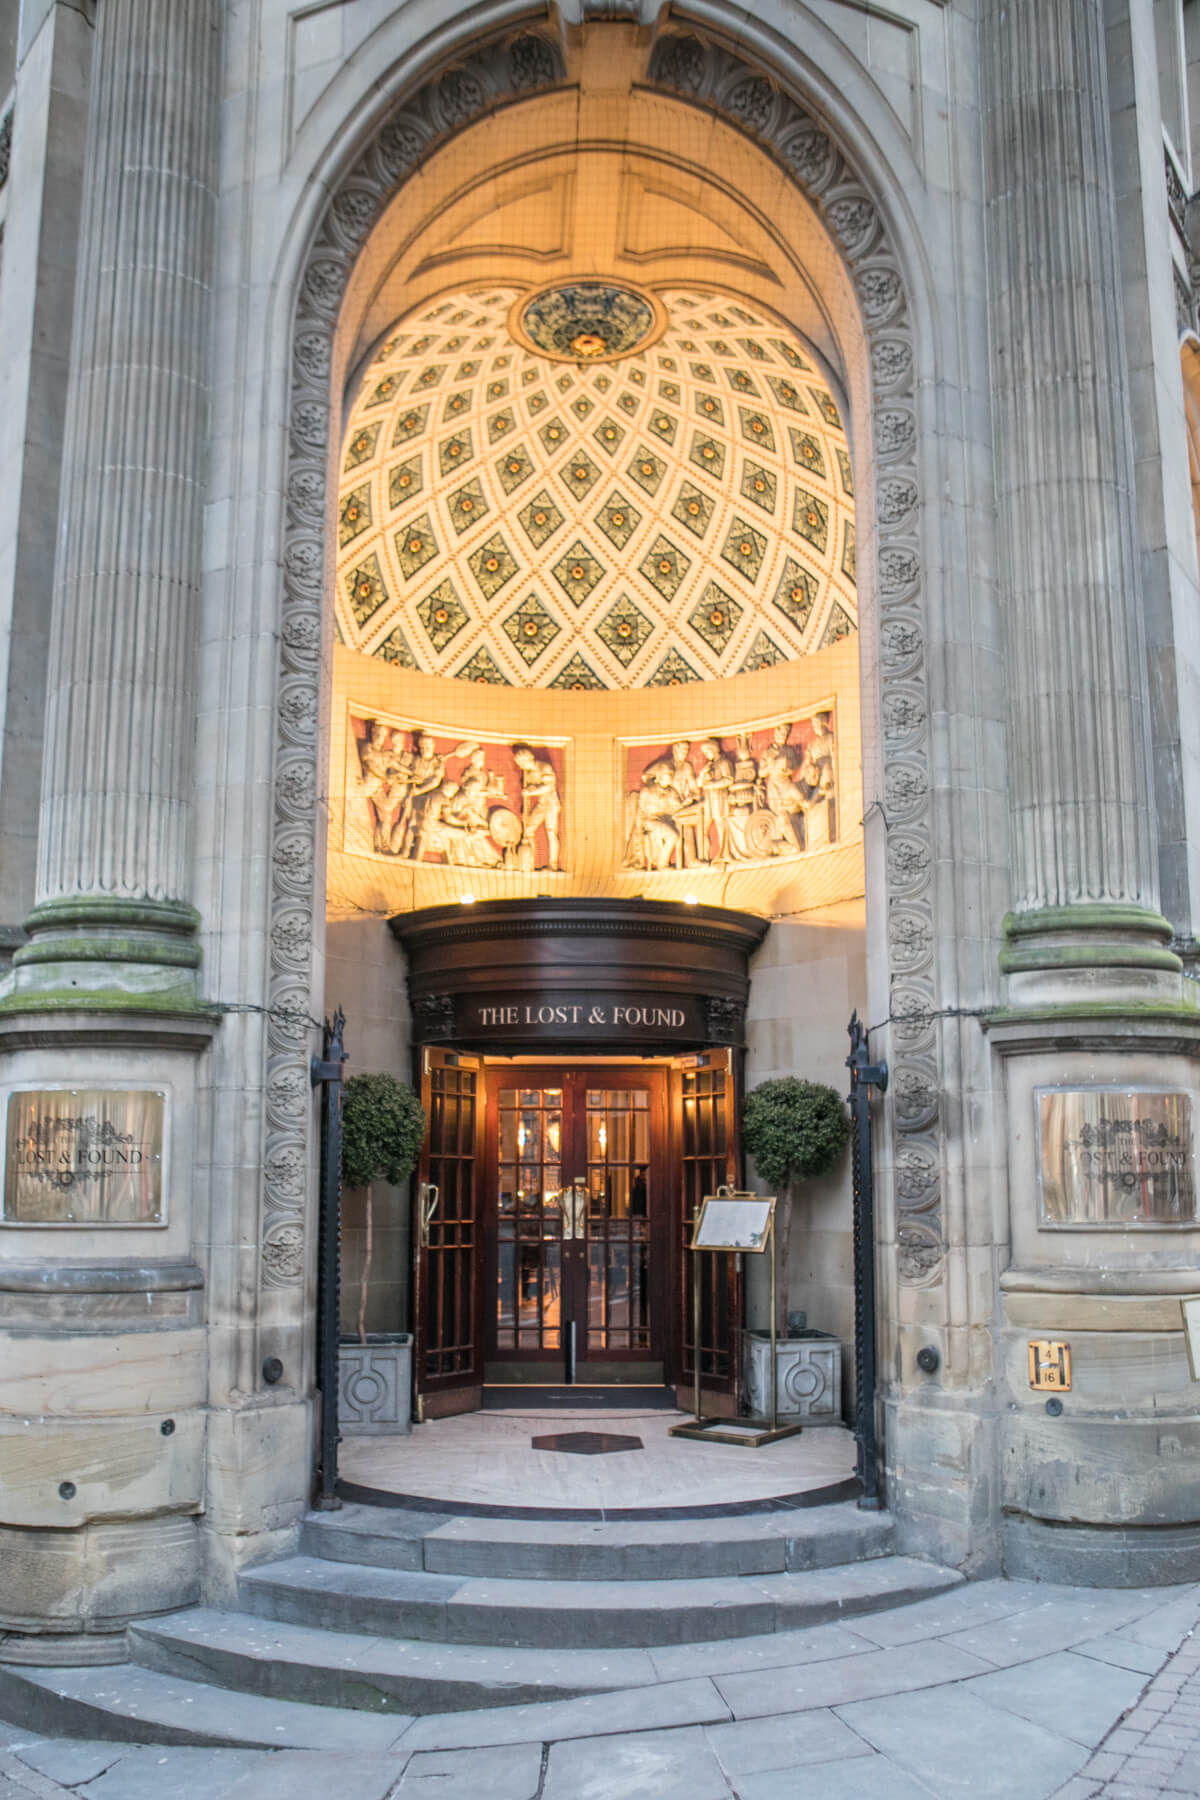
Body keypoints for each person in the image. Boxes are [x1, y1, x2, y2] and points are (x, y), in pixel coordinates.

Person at [514, 745, 560, 869]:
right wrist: (526, 810)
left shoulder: (544, 767)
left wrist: (530, 792)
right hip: (541, 804)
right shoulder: (528, 775)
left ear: (528, 759)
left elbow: (548, 787)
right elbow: (527, 797)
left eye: (521, 764)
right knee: (528, 829)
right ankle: (530, 863)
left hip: (551, 803)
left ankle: (553, 864)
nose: (521, 767)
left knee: (551, 832)